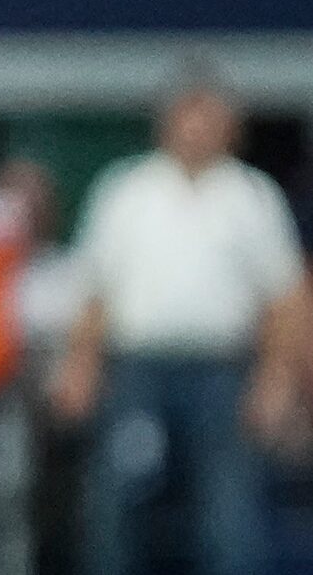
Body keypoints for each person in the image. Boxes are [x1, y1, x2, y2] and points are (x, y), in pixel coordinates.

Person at [52, 74, 312, 575]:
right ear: (165, 122)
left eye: (210, 118)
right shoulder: (125, 190)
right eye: (187, 115)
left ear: (230, 127)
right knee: (118, 502)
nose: (197, 129)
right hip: (136, 370)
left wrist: (277, 381)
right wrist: (80, 368)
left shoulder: (251, 196)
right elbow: (94, 291)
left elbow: (286, 301)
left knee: (229, 511)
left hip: (222, 371)